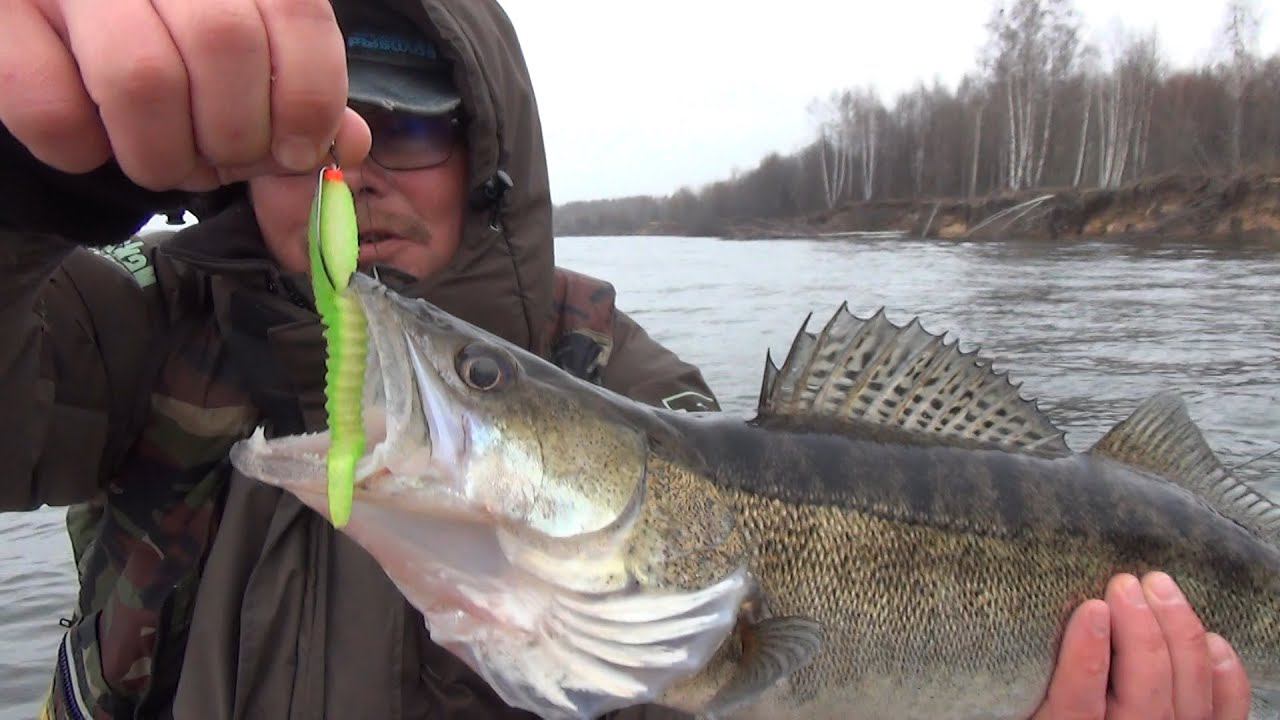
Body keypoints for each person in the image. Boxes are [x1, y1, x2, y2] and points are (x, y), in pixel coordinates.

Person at [0, 1, 1252, 718]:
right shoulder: (136, 327)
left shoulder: (641, 395)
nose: (354, 166)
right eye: (299, 135)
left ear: (489, 151)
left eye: (412, 119)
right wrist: (28, 187)